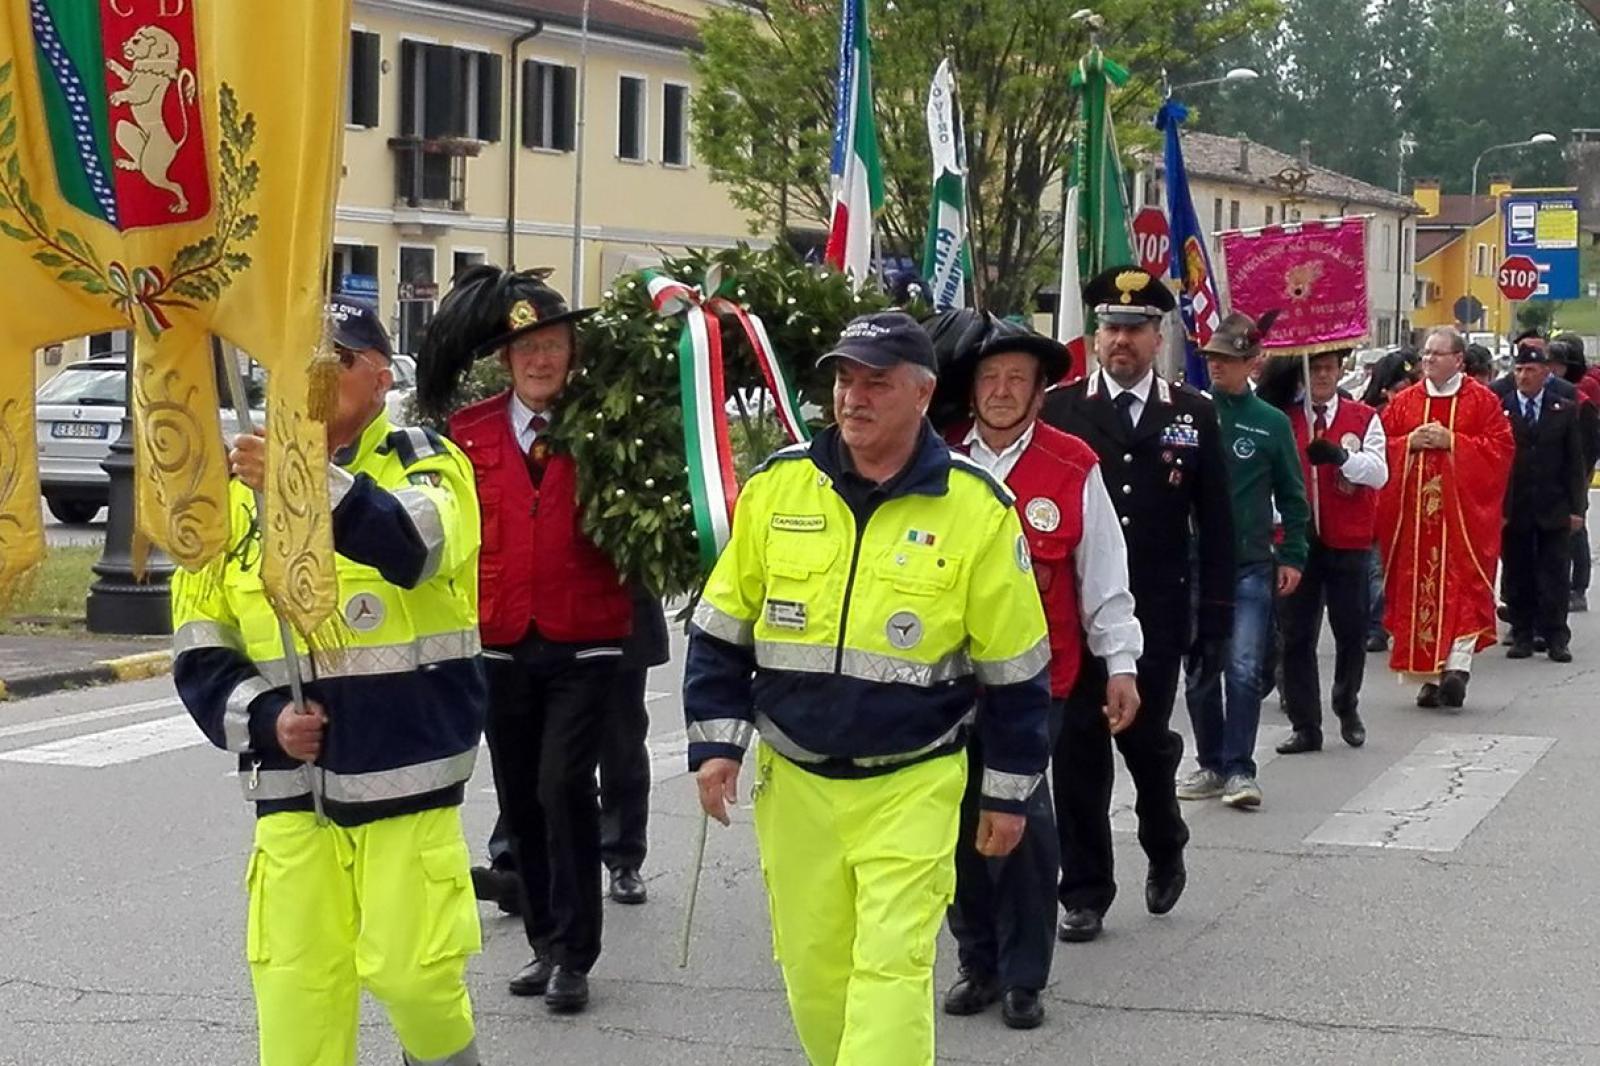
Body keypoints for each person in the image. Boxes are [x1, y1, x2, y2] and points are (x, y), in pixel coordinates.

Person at [684, 311, 1053, 1066]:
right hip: (796, 784)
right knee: (816, 975)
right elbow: (722, 629)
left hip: (913, 782)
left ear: (922, 394)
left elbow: (1016, 670)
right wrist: (717, 744)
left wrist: (1008, 795)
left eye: (876, 383)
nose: (853, 398)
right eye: (845, 380)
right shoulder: (780, 487)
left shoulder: (976, 508)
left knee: (892, 972)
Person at [171, 298, 486, 1066]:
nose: (310, 374)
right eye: (296, 358)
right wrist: (266, 718)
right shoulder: (234, 487)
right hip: (291, 790)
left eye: (335, 360)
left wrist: (304, 483)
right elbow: (200, 643)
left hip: (404, 780)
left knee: (415, 980)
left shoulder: (425, 459)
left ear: (380, 378)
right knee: (297, 1002)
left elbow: (417, 545)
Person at [418, 266, 633, 1014]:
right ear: (506, 359)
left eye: (553, 345)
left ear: (573, 353)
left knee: (562, 784)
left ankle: (576, 953)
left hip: (586, 634)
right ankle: (544, 941)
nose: (541, 360)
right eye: (527, 348)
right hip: (500, 635)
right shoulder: (467, 433)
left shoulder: (609, 426)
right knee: (519, 794)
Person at [927, 310, 1142, 1029]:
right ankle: (977, 961)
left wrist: (1121, 664)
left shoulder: (1073, 465)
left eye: (1016, 378)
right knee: (958, 820)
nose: (1001, 390)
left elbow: (1103, 574)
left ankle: (1025, 975)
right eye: (989, 377)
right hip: (946, 680)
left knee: (1018, 816)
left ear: (1039, 390)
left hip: (1038, 683)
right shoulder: (937, 459)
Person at [1041, 266, 1233, 941]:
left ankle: (1165, 839)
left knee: (1145, 744)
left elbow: (1217, 523)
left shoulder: (1191, 413)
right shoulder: (1061, 409)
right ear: (1096, 336)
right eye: (1111, 328)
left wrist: (1215, 621)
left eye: (1135, 329)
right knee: (1077, 752)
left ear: (1158, 337)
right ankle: (1084, 890)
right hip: (1073, 614)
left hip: (1154, 612)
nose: (1121, 340)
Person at [1177, 312, 1307, 809]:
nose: (1217, 366)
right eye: (1212, 358)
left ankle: (1239, 769)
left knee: (1245, 667)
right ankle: (1210, 762)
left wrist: (1293, 554)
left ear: (1252, 363)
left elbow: (1293, 496)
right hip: (1196, 563)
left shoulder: (1270, 423)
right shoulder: (1190, 414)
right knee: (1200, 669)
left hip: (1251, 562)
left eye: (1228, 360)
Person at [1378, 326, 1513, 709]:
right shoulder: (1404, 403)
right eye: (1426, 354)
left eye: (1437, 354)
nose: (1428, 360)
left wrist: (1453, 442)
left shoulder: (1481, 402)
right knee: (1418, 593)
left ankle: (1457, 667)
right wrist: (1408, 444)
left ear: (1458, 359)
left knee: (1463, 590)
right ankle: (1429, 678)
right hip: (1414, 525)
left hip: (1462, 522)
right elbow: (1379, 446)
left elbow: (1501, 448)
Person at [1270, 351, 1389, 754]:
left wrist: (1341, 457)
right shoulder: (1285, 419)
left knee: (1351, 630)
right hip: (1299, 541)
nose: (1322, 375)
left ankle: (1346, 700)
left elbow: (1379, 472)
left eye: (1328, 369)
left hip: (1349, 541)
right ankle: (1305, 724)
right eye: (1315, 368)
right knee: (1296, 635)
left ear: (1340, 371)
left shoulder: (1363, 417)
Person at [1500, 344, 1586, 662]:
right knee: (1518, 574)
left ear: (1545, 374)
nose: (1524, 376)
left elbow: (1574, 464)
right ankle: (1522, 634)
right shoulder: (1502, 409)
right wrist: (1498, 510)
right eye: (1519, 370)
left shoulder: (1562, 409)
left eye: (1531, 370)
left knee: (1555, 575)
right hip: (1516, 508)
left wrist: (1577, 509)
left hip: (1553, 506)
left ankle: (1556, 637)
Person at [1360, 349, 1420, 653]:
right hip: (1376, 500)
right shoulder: (1369, 414)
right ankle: (1377, 625)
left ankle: (1384, 623)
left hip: (1406, 500)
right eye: (1400, 387)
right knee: (1375, 568)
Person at [1549, 333, 1599, 613]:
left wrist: (1581, 475)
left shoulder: (1582, 396)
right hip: (1551, 473)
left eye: (1556, 365)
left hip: (1576, 473)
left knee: (1576, 528)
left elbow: (1590, 443)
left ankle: (1578, 587)